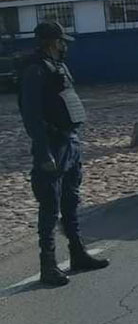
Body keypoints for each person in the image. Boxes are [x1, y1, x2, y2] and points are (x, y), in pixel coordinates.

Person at [18, 22, 108, 287]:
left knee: (71, 201)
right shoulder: (34, 70)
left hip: (70, 142)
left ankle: (77, 252)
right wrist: (44, 152)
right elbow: (32, 115)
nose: (64, 45)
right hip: (52, 145)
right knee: (50, 208)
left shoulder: (59, 67)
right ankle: (48, 265)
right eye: (61, 41)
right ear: (51, 42)